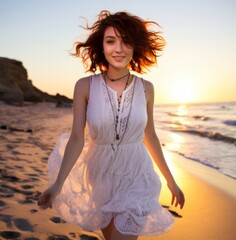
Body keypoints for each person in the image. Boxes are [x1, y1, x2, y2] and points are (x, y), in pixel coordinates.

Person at [38, 10, 185, 240]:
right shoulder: (84, 86)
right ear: (102, 46)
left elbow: (151, 136)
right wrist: (59, 184)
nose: (118, 48)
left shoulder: (146, 88)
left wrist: (171, 180)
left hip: (137, 173)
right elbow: (77, 137)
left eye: (126, 41)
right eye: (111, 41)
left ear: (135, 46)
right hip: (101, 173)